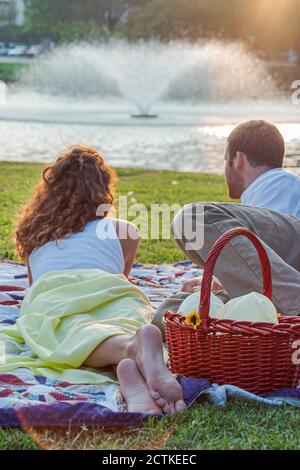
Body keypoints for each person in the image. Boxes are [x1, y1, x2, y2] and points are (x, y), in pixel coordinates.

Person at [3, 145, 186, 416]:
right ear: (104, 191)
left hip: (55, 292)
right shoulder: (125, 231)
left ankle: (132, 350)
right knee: (116, 325)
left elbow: (35, 289)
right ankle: (130, 370)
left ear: (51, 193)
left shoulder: (34, 235)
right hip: (112, 292)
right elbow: (120, 278)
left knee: (68, 335)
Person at [153, 121, 300, 335]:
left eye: (225, 161)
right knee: (170, 313)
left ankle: (293, 308)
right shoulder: (274, 193)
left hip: (288, 298)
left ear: (238, 160)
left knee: (192, 218)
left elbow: (266, 251)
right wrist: (221, 279)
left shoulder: (276, 187)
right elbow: (265, 263)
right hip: (285, 286)